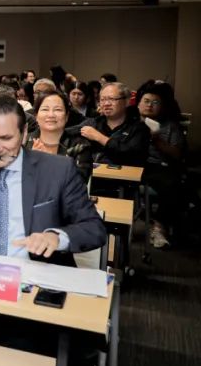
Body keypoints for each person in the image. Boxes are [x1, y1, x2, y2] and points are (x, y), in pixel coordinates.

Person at [0, 94, 106, 264]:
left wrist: (56, 237)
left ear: (24, 133)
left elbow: (94, 229)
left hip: (38, 274)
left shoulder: (57, 169)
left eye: (6, 138)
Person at [136, 82, 186, 248]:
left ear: (162, 106)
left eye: (155, 102)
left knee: (172, 183)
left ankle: (159, 227)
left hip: (158, 166)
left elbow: (177, 153)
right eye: (146, 101)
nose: (150, 105)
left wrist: (157, 140)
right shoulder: (131, 121)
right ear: (138, 103)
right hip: (133, 165)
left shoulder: (170, 126)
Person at [78, 81, 150, 168]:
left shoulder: (139, 128)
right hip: (92, 174)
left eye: (111, 99)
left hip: (124, 175)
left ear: (127, 101)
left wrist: (99, 137)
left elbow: (133, 156)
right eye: (103, 99)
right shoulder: (94, 123)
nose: (106, 104)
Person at [26, 91, 93, 183]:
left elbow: (79, 182)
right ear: (36, 116)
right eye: (45, 109)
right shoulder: (23, 142)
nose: (51, 115)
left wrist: (50, 162)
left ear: (66, 116)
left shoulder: (80, 146)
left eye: (58, 110)